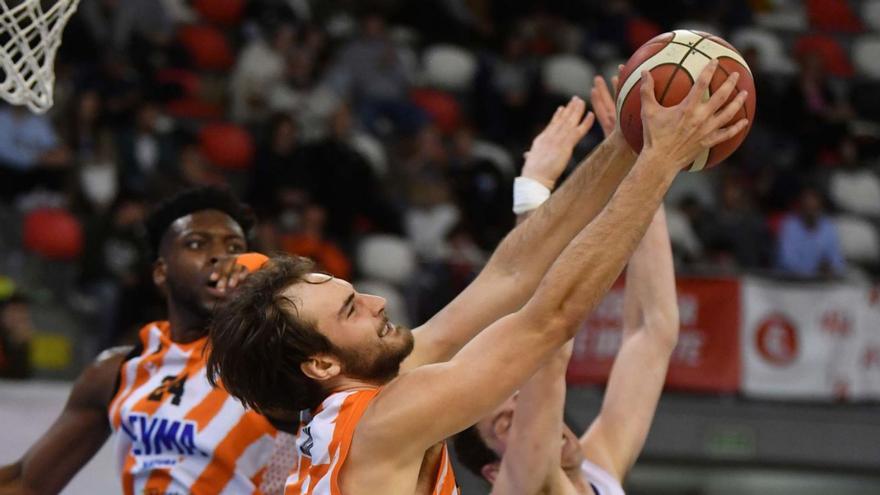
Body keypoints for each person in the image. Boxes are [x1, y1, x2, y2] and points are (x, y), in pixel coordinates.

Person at [206, 61, 748, 494]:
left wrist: (626, 145)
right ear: (321, 363)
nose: (375, 301)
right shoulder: (382, 421)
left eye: (355, 294)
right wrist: (658, 164)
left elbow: (509, 275)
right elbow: (549, 320)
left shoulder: (367, 397)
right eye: (351, 310)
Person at [452, 79, 679, 495]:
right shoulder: (518, 488)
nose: (528, 410)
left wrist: (643, 161)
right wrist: (533, 191)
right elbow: (548, 346)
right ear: (493, 473)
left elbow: (652, 330)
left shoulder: (598, 469)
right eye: (507, 423)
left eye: (518, 399)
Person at [0, 187, 294, 494]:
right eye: (196, 244)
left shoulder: (273, 357)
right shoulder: (117, 371)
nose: (222, 257)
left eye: (236, 247)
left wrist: (277, 280)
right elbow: (25, 482)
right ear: (160, 272)